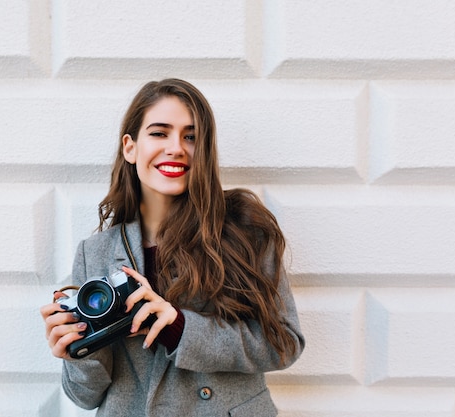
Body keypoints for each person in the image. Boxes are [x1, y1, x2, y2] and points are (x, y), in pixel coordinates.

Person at [40, 78, 304, 416]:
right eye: (159, 133)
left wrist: (180, 327)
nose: (176, 147)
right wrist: (76, 350)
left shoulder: (244, 231)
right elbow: (85, 396)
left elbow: (283, 343)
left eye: (191, 137)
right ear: (130, 147)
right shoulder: (95, 253)